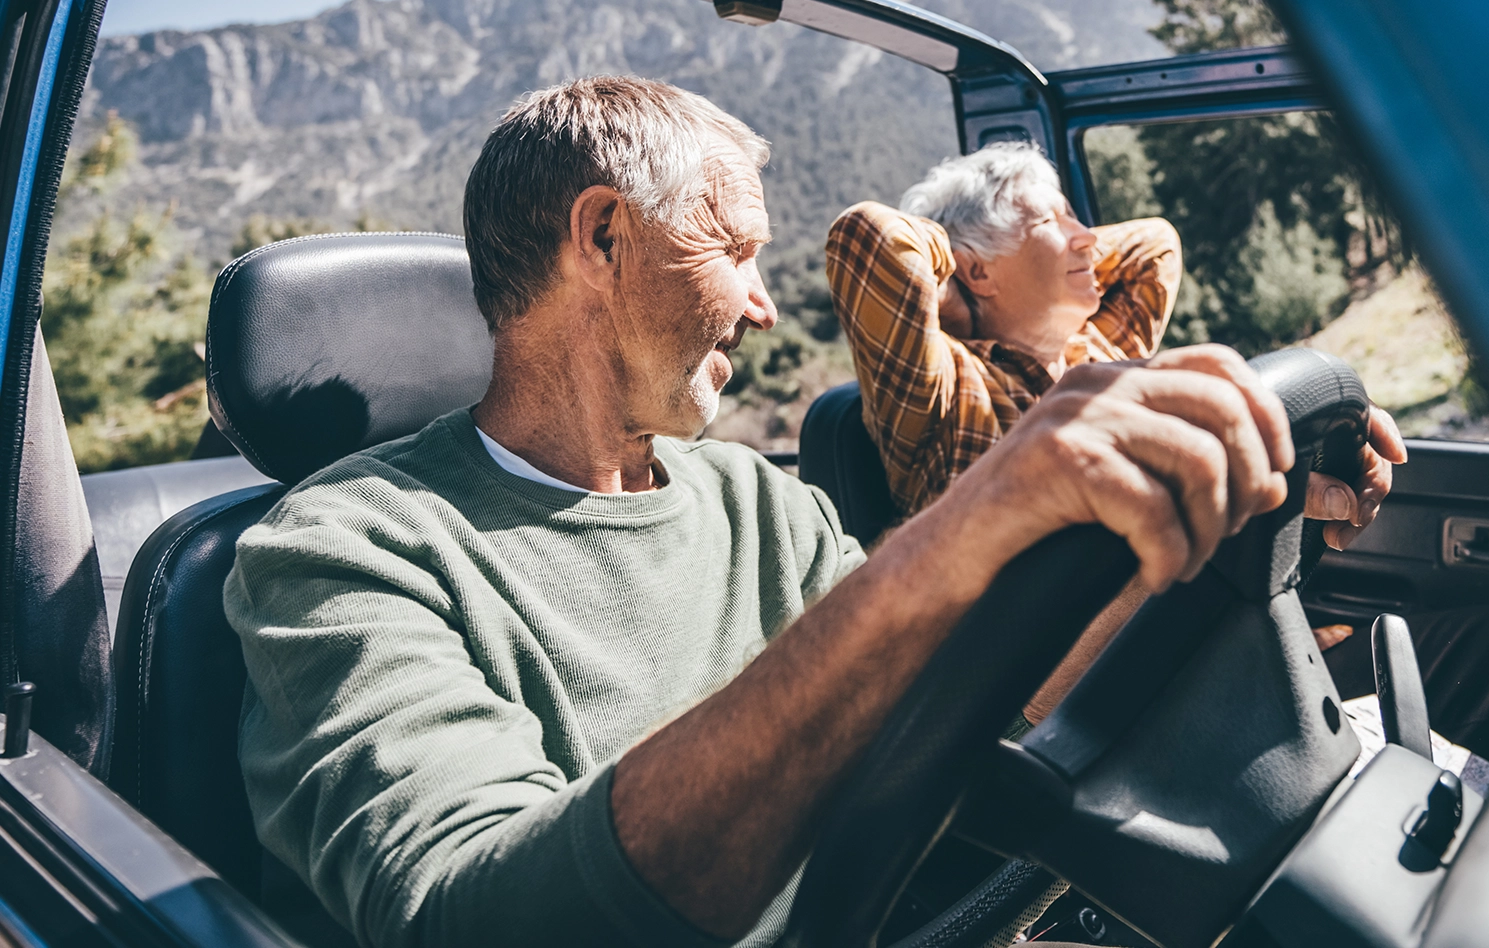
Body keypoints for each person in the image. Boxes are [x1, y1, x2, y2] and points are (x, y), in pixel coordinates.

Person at [224, 76, 1297, 948]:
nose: (763, 302)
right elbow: (475, 917)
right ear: (600, 238)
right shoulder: (340, 548)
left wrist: (1218, 550)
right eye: (734, 250)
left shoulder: (750, 495)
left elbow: (971, 689)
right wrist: (949, 536)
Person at [826, 144, 1489, 760]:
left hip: (1194, 626)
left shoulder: (1106, 353)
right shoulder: (944, 391)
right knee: (1483, 666)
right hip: (1072, 689)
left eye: (1084, 221)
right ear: (974, 270)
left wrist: (1052, 236)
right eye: (1056, 219)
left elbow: (1156, 245)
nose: (1088, 240)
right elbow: (868, 241)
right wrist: (961, 285)